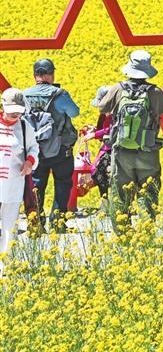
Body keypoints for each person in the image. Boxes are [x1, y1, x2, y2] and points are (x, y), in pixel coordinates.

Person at [98, 50, 163, 232]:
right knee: (148, 192)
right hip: (148, 151)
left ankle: (123, 234)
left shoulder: (118, 89)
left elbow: (102, 108)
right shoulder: (155, 92)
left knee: (120, 193)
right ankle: (146, 232)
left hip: (122, 152)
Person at [23, 58, 80, 232]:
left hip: (35, 150)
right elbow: (74, 113)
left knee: (36, 184)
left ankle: (36, 222)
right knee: (62, 183)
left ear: (35, 75)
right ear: (51, 74)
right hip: (60, 149)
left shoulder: (25, 95)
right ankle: (57, 223)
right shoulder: (59, 94)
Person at [0, 89, 39, 254]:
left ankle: (7, 262)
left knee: (10, 227)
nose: (15, 115)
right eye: (11, 112)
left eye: (18, 112)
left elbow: (34, 148)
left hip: (14, 184)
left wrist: (30, 161)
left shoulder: (24, 127)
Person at [82, 86, 112, 212]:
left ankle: (107, 204)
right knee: (98, 172)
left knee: (99, 171)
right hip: (107, 146)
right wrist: (94, 130)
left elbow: (111, 129)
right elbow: (103, 131)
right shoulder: (104, 114)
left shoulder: (115, 113)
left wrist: (94, 134)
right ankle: (105, 202)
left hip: (113, 148)